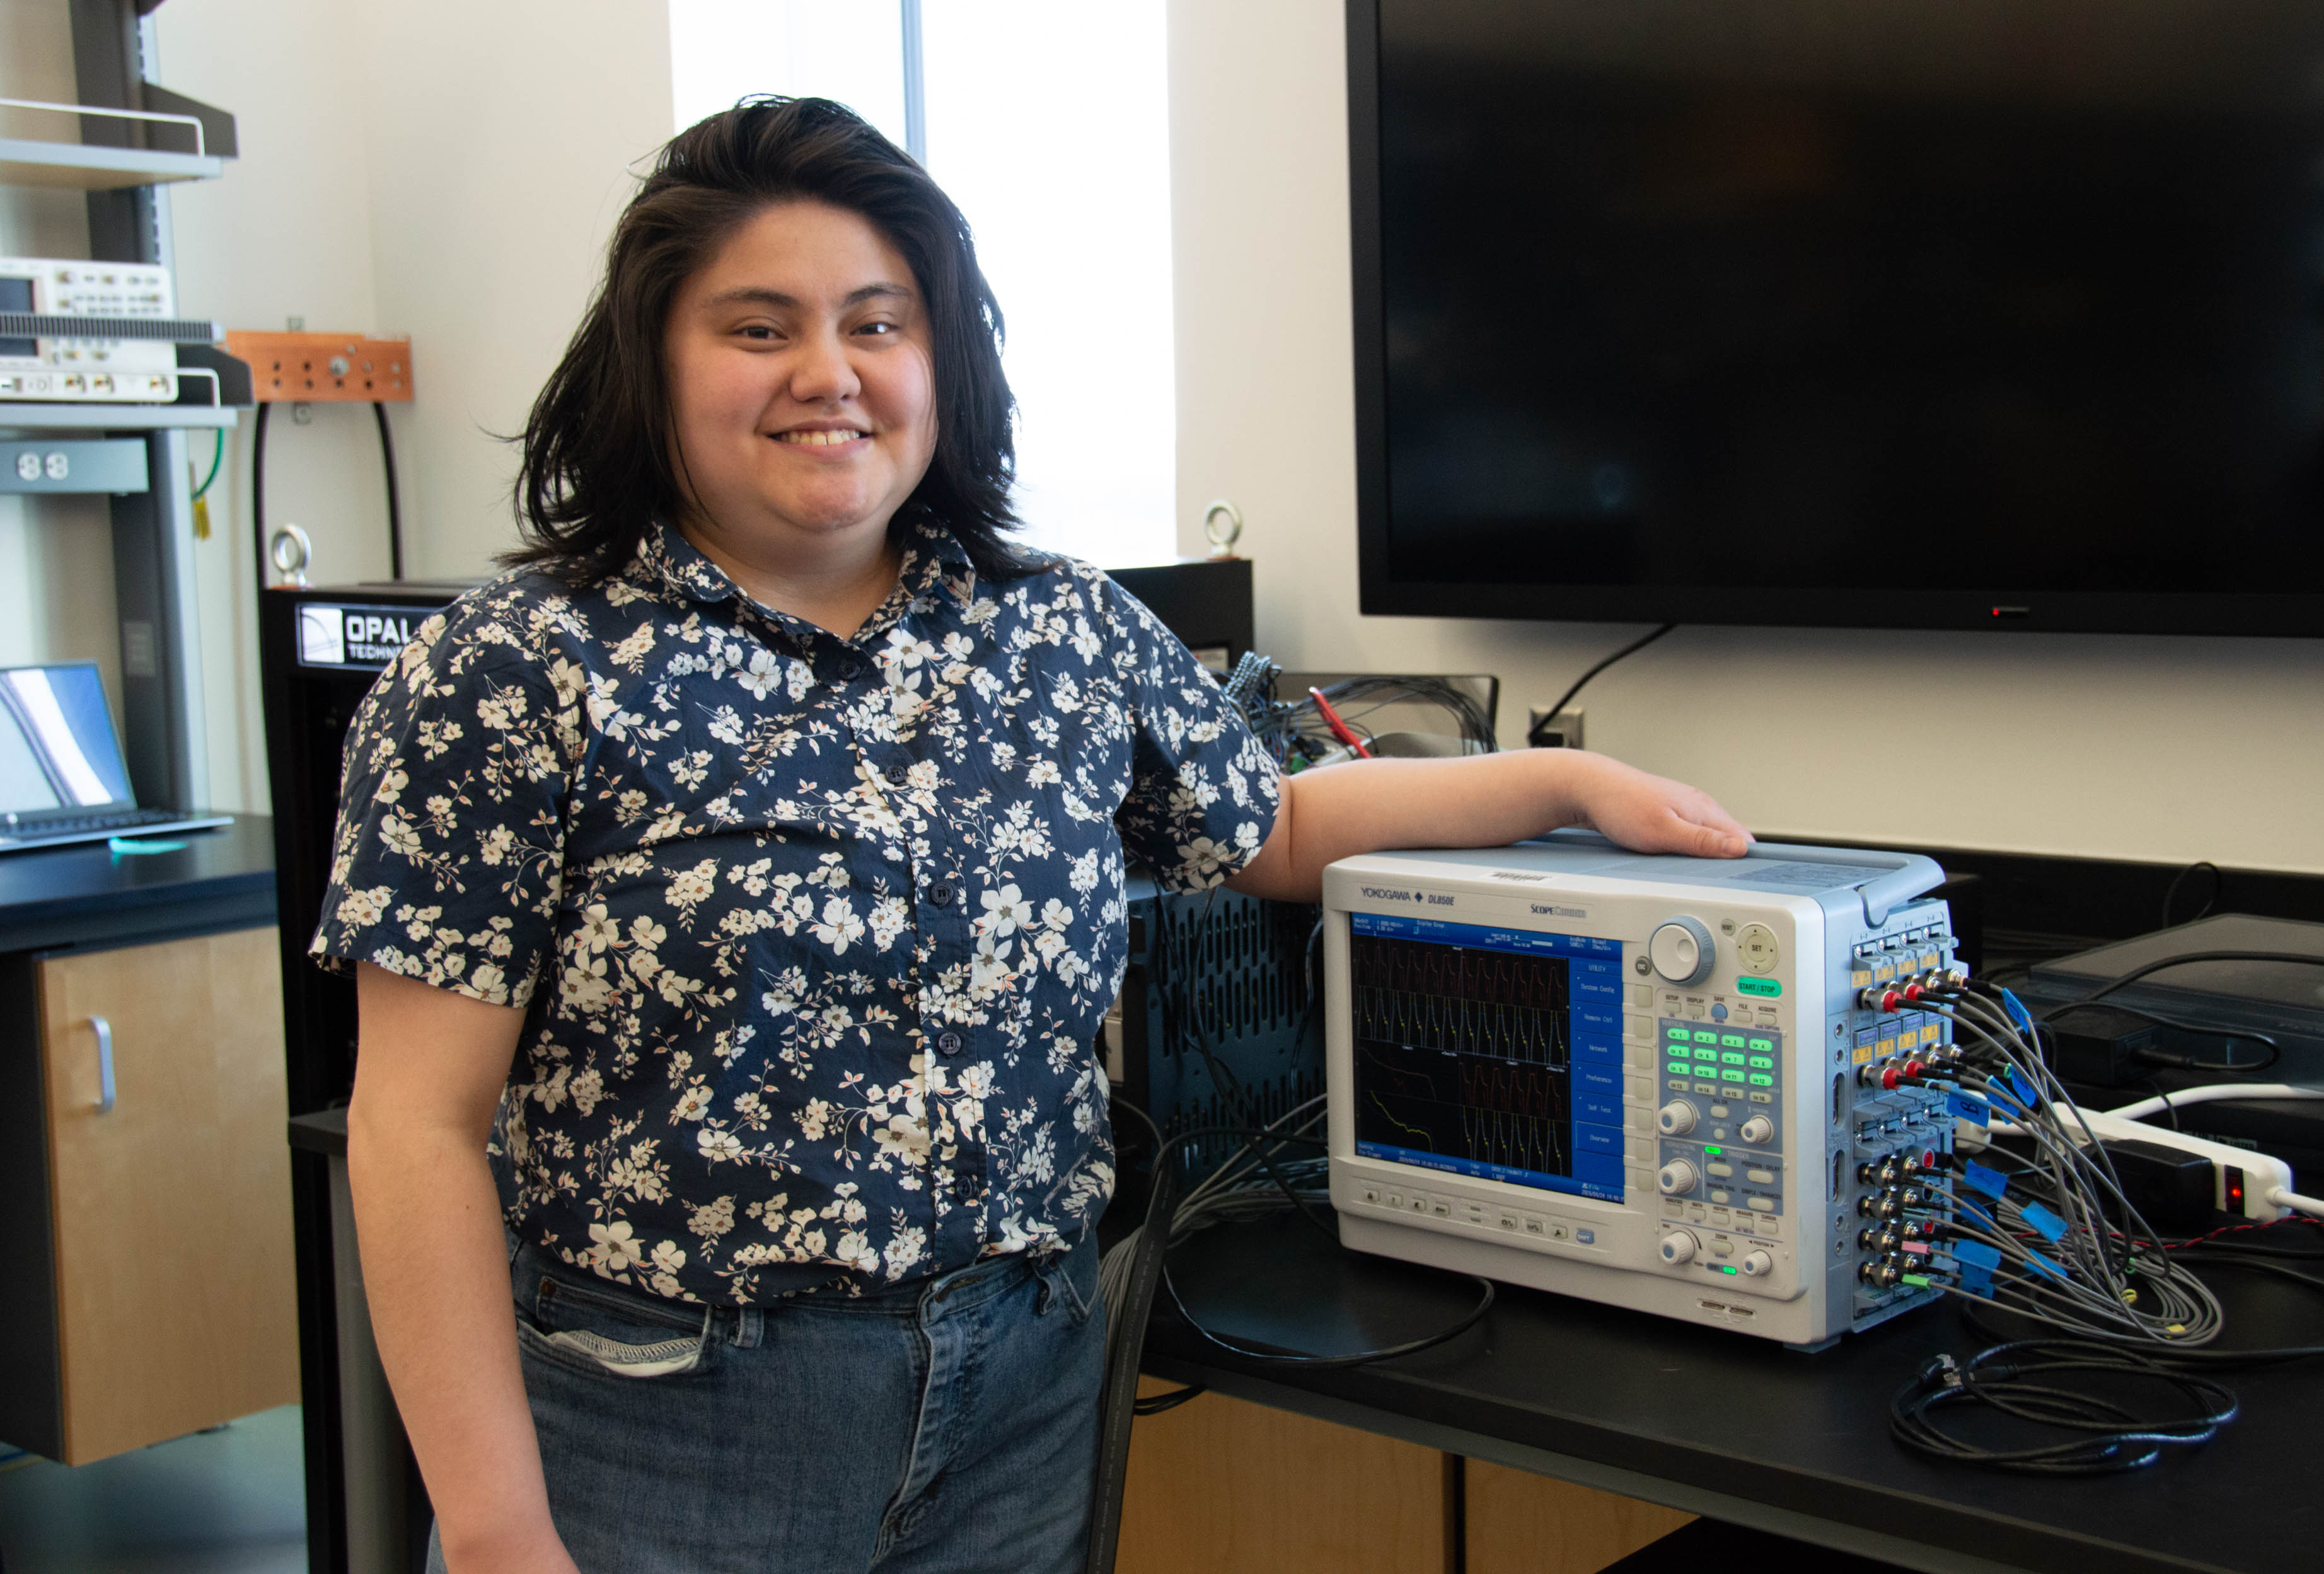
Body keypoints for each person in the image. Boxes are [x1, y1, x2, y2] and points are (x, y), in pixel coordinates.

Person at [315, 98, 1751, 1574]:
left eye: (880, 323)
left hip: (1021, 1397)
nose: (831, 373)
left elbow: (1279, 826)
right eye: (759, 329)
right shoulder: (514, 667)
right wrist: (493, 1527)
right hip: (666, 1424)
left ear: (942, 360)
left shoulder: (1056, 626)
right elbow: (415, 1128)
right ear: (653, 365)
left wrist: (1565, 787)